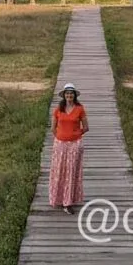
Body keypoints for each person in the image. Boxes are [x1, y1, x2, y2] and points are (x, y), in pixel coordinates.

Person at [49, 83, 88, 214]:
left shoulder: (80, 109)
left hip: (75, 144)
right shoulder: (58, 109)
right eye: (67, 94)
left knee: (71, 172)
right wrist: (60, 136)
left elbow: (86, 127)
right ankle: (58, 198)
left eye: (71, 93)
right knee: (59, 170)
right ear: (64, 96)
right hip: (60, 144)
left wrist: (75, 134)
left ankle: (69, 201)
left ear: (74, 95)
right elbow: (53, 128)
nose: (69, 96)